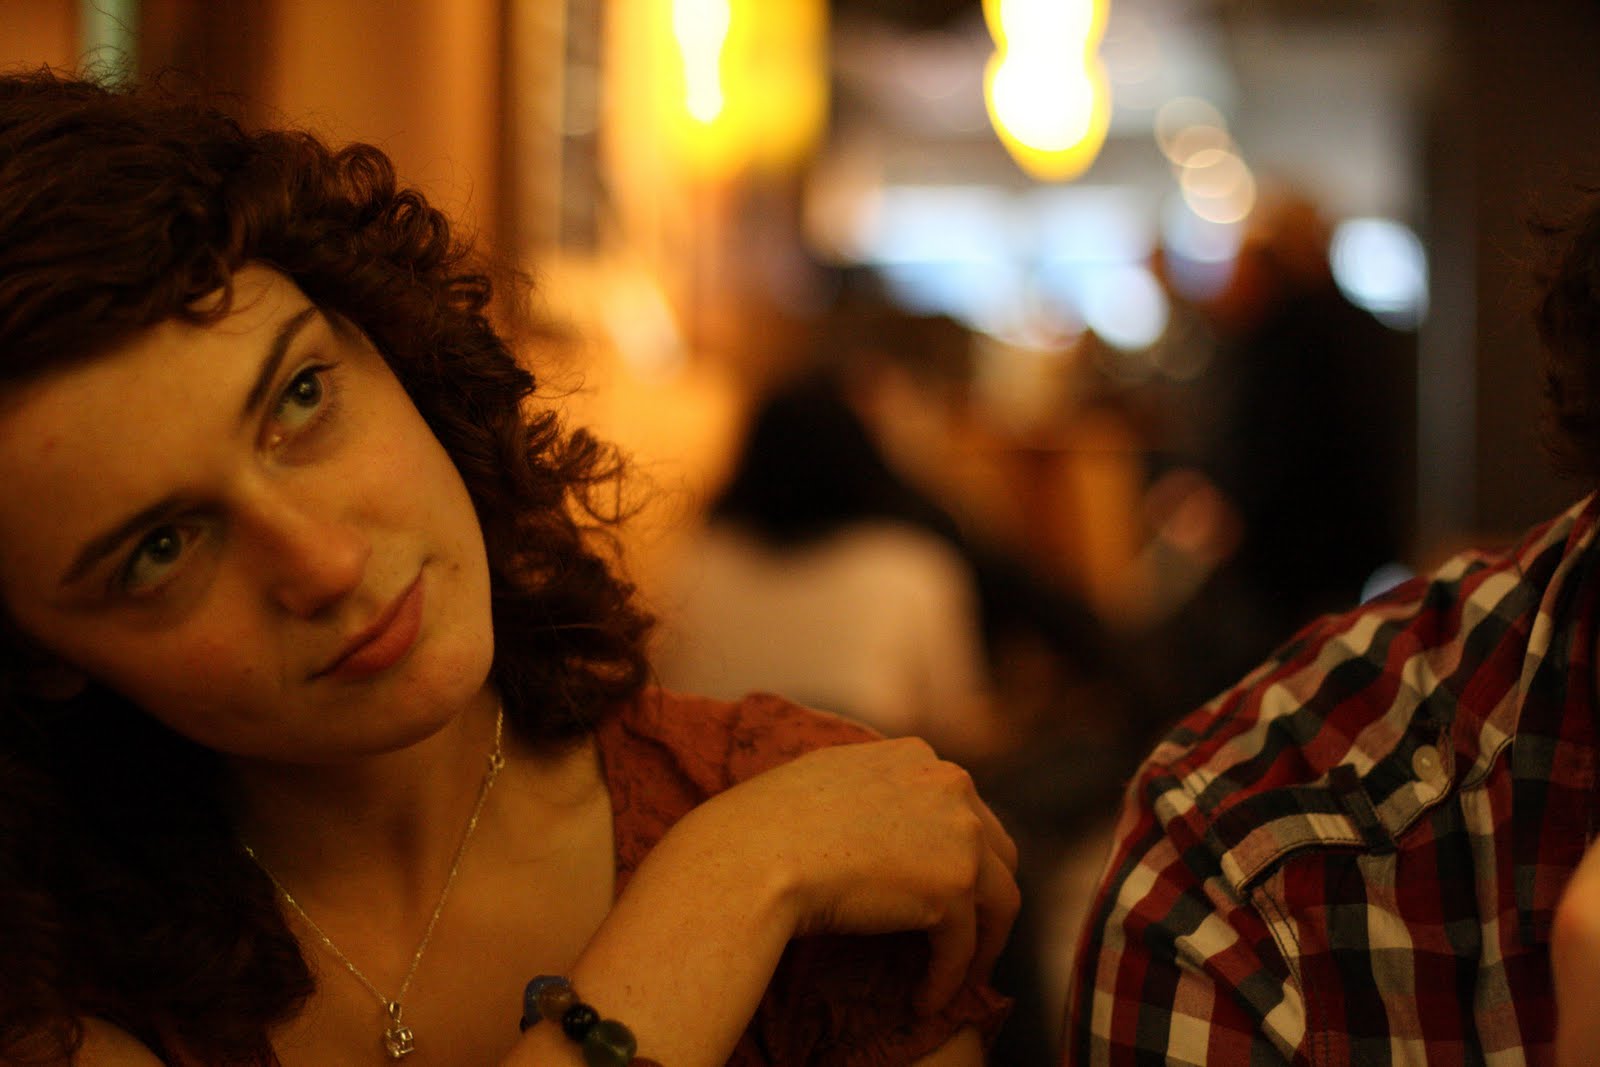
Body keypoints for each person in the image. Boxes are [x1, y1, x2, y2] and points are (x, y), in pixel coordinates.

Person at [0, 69, 1019, 1066]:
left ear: (390, 343)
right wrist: (729, 886)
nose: (326, 562)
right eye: (162, 549)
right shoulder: (45, 977)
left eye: (302, 397)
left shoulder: (812, 813)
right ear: (38, 654)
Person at [1065, 195, 1600, 1064]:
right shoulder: (1236, 875)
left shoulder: (1242, 831)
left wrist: (1230, 514)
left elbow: (1263, 453)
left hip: (1291, 562)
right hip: (1348, 553)